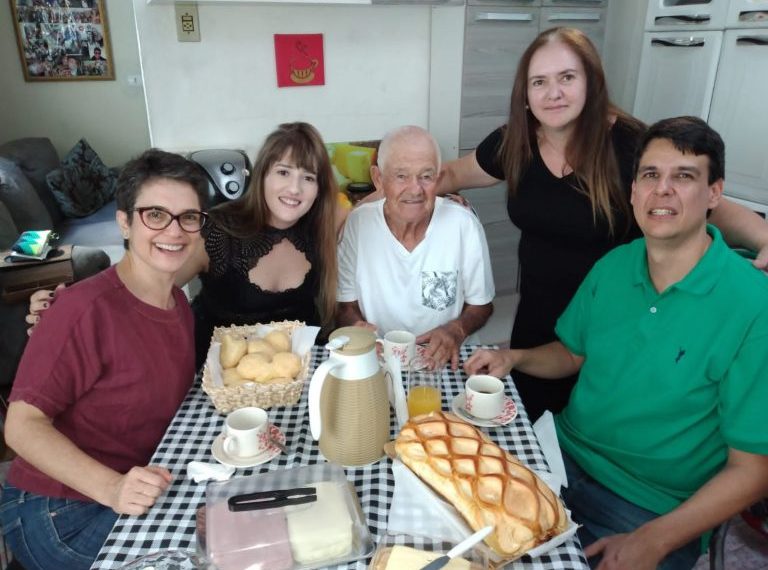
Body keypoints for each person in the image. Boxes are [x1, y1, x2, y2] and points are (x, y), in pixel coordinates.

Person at [465, 116, 768, 570]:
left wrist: (656, 539)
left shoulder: (753, 306)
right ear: (632, 191)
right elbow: (571, 353)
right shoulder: (614, 265)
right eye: (650, 175)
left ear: (714, 193)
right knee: (460, 536)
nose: (662, 190)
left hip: (648, 507)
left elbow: (753, 470)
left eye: (683, 177)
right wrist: (515, 356)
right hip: (559, 459)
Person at [434, 27, 768, 421]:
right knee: (533, 422)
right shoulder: (515, 141)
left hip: (615, 321)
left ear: (592, 82)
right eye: (539, 82)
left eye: (567, 78)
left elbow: (705, 204)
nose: (553, 93)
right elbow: (448, 176)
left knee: (600, 424)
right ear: (524, 94)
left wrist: (764, 236)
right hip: (538, 316)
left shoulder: (629, 145)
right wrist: (367, 204)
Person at [0, 149, 209, 570]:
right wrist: (112, 489)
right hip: (58, 508)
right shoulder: (82, 309)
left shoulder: (177, 301)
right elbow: (21, 427)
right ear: (124, 222)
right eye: (155, 214)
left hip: (140, 482)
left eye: (188, 216)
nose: (175, 230)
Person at [28, 123, 342, 369]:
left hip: (301, 375)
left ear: (320, 188)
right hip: (215, 380)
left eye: (308, 177)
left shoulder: (325, 225)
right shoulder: (219, 229)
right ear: (261, 176)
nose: (294, 188)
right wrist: (69, 308)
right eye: (283, 172)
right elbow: (145, 289)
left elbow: (384, 199)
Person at [336, 125, 495, 370]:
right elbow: (345, 305)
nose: (415, 189)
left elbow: (482, 304)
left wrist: (457, 329)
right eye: (401, 176)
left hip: (445, 361)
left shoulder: (463, 224)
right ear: (378, 179)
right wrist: (356, 326)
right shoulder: (359, 224)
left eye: (426, 176)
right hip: (380, 361)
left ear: (438, 178)